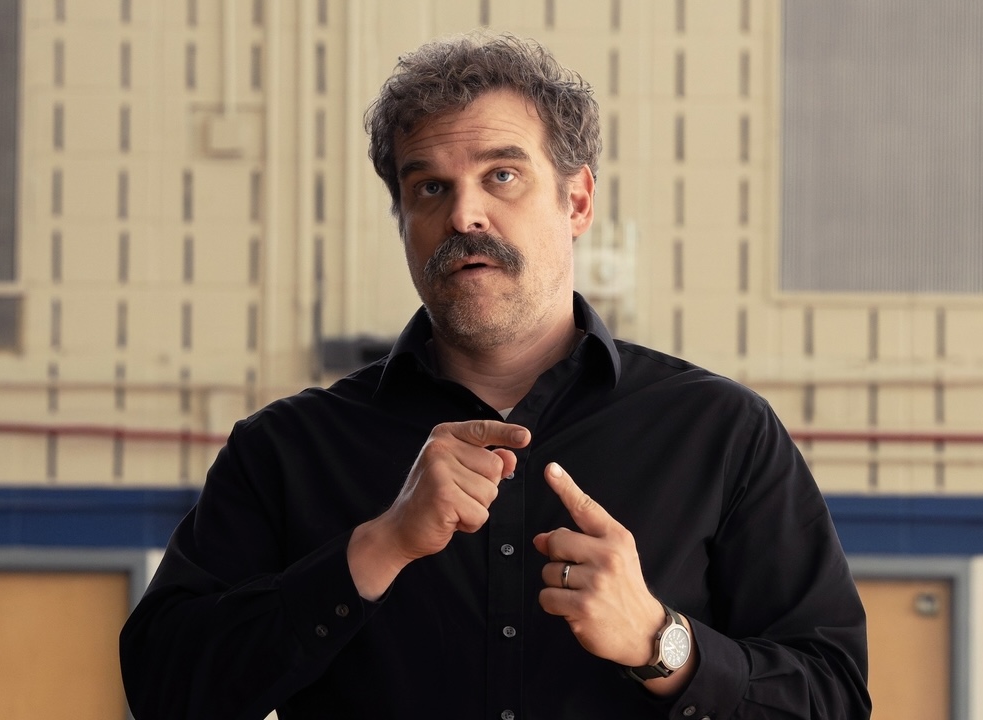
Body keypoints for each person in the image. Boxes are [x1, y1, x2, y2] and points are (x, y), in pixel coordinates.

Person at [120, 33, 869, 720]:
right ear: (403, 219)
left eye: (501, 175)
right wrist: (375, 549)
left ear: (576, 200)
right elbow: (164, 687)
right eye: (429, 188)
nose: (465, 215)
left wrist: (661, 643)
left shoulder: (721, 434)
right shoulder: (287, 449)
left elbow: (834, 696)